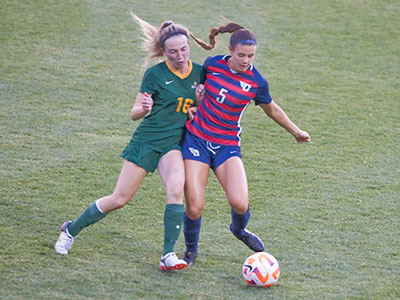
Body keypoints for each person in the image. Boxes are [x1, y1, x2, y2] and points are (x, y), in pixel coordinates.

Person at [55, 12, 204, 271]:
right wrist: (144, 108)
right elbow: (135, 113)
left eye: (183, 49)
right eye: (172, 52)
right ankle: (71, 230)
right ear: (163, 51)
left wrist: (200, 103)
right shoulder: (154, 75)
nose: (179, 56)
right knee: (120, 199)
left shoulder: (200, 74)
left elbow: (201, 109)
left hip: (172, 145)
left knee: (176, 190)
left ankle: (168, 255)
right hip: (147, 142)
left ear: (189, 45)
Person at [181, 22, 311, 265]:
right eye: (241, 55)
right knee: (195, 205)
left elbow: (271, 109)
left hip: (227, 145)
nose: (245, 60)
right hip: (197, 139)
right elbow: (197, 90)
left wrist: (296, 131)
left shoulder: (256, 82)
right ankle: (190, 251)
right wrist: (194, 104)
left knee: (240, 203)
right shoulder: (211, 65)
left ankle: (239, 230)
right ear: (230, 50)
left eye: (250, 56)